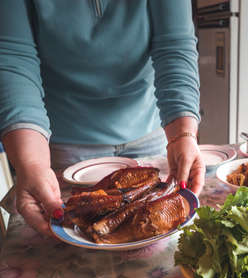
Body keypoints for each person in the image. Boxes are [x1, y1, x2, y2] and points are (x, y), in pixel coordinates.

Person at [0, 0, 205, 237]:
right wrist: (32, 164)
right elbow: (13, 59)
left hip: (152, 132)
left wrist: (183, 135)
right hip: (61, 143)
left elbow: (174, 48)